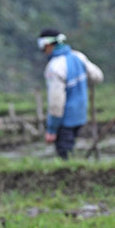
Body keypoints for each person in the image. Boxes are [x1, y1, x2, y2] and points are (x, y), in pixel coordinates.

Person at [38, 29, 104, 159]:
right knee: (70, 148)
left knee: (64, 153)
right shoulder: (78, 56)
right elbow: (97, 77)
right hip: (80, 116)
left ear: (48, 45)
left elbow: (56, 102)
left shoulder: (55, 66)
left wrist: (51, 129)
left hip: (65, 119)